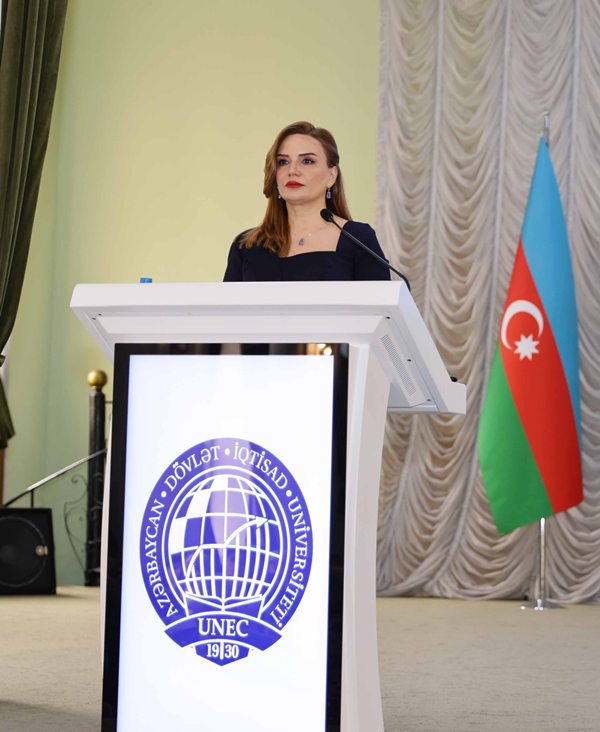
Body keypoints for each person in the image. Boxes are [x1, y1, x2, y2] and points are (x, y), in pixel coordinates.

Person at [223, 121, 391, 281]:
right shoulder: (246, 246)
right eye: (283, 162)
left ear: (331, 176)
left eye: (307, 161)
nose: (292, 170)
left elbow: (382, 302)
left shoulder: (358, 240)